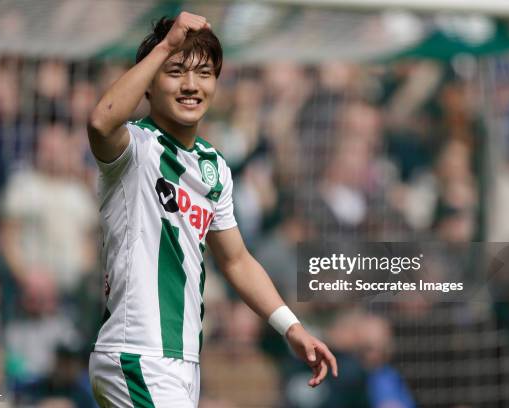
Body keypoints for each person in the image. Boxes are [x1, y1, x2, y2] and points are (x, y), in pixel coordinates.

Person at [87, 12, 338, 407]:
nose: (191, 85)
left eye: (204, 73)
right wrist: (167, 45)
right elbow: (101, 122)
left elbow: (236, 260)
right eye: (175, 72)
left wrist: (292, 328)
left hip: (184, 362)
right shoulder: (134, 148)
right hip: (138, 352)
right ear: (149, 84)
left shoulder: (213, 166)